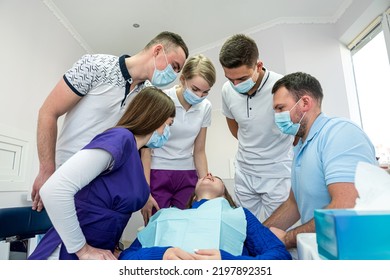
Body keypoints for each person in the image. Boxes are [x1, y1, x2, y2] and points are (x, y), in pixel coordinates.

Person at [31, 31, 189, 212]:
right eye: (174, 66)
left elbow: (143, 149)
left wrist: (145, 193)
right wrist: (46, 170)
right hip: (66, 176)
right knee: (59, 238)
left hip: (104, 188)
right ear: (158, 50)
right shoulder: (95, 65)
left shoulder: (147, 95)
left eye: (178, 71)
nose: (174, 75)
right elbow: (48, 112)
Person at [28, 87, 176, 260]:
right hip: (69, 249)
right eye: (169, 124)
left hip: (99, 247)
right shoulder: (120, 139)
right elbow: (54, 190)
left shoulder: (134, 154)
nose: (168, 133)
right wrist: (82, 250)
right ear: (156, 118)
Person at [263, 72, 377, 250]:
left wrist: (287, 238)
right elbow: (293, 204)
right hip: (321, 249)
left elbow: (345, 207)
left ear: (305, 103)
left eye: (280, 108)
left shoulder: (339, 133)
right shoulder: (301, 146)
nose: (277, 116)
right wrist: (259, 235)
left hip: (350, 251)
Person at [118, 173, 292, 260]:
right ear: (193, 196)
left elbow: (280, 256)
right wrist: (161, 254)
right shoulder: (165, 215)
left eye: (216, 177)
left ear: (224, 196)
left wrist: (227, 261)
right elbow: (126, 257)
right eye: (205, 176)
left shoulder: (240, 215)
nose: (208, 174)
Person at [219, 34, 294, 221]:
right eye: (230, 79)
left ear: (258, 66)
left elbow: (297, 129)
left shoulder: (283, 86)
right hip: (245, 171)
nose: (235, 85)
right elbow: (235, 127)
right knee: (244, 228)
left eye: (242, 78)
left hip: (277, 173)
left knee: (277, 233)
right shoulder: (227, 90)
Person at [140, 54, 217, 224]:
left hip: (187, 174)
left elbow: (199, 150)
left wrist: (205, 189)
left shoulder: (206, 107)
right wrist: (144, 192)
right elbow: (145, 149)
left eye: (205, 92)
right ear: (182, 79)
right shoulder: (162, 99)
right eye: (195, 89)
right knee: (157, 226)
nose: (199, 96)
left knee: (186, 226)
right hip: (158, 171)